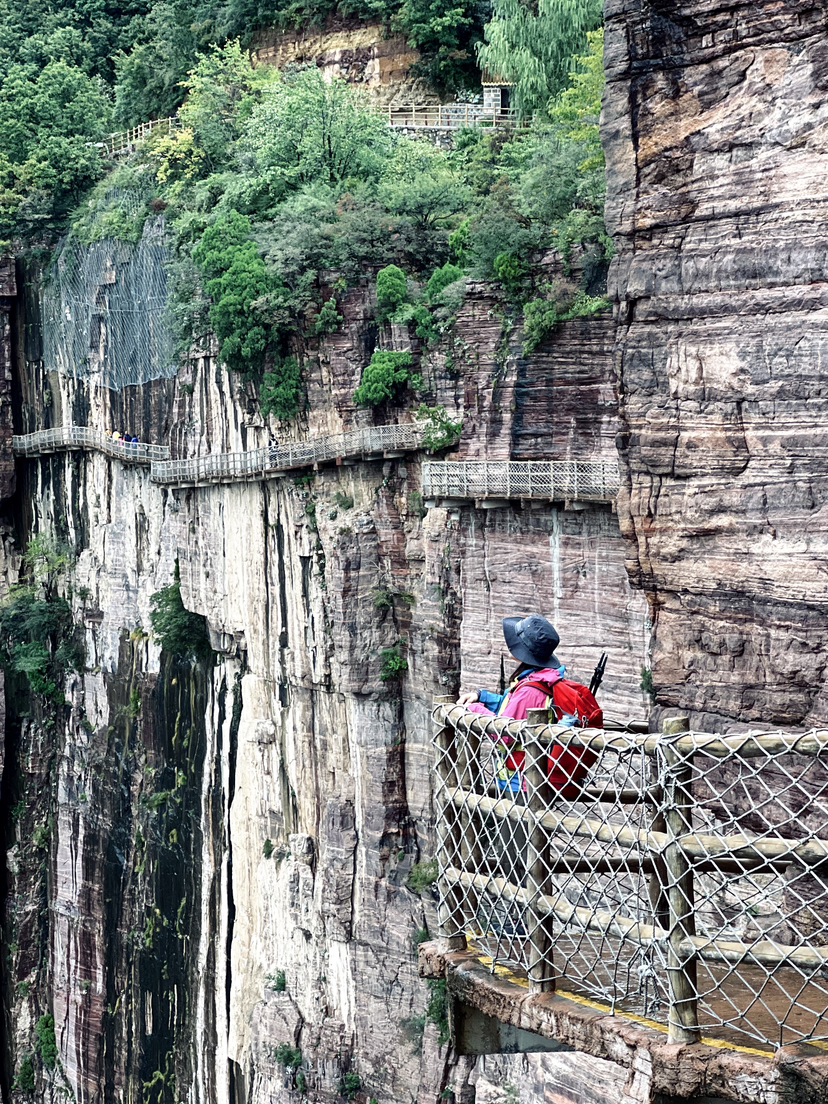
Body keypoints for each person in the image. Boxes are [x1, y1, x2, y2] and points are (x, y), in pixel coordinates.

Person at [458, 615, 601, 796]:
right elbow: (514, 709)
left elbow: (504, 735)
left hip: (523, 785)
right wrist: (482, 697)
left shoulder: (530, 690)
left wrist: (472, 710)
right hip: (526, 779)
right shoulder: (541, 678)